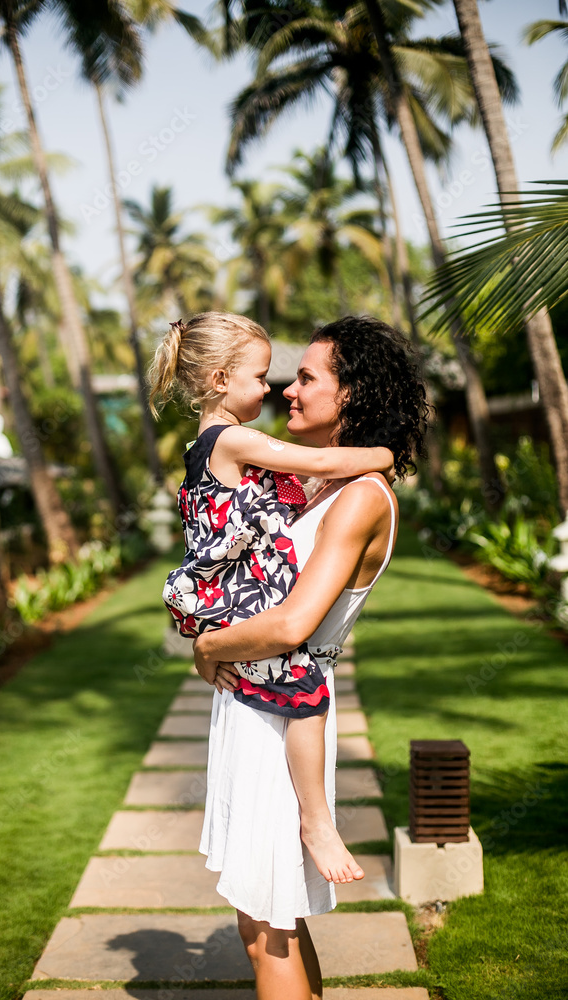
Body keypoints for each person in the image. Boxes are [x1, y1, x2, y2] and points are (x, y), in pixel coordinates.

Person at [193, 315, 429, 999]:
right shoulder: (318, 486)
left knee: (265, 932)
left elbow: (293, 622)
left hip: (279, 714)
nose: (284, 391)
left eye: (304, 377)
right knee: (275, 923)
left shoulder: (358, 496)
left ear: (349, 395)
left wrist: (206, 645)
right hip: (255, 705)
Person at [149, 311, 395, 884]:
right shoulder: (235, 438)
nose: (273, 387)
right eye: (260, 377)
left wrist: (208, 649)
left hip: (222, 590)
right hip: (239, 594)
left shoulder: (211, 442)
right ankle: (317, 819)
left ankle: (313, 819)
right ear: (218, 381)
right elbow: (319, 462)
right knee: (305, 690)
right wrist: (383, 456)